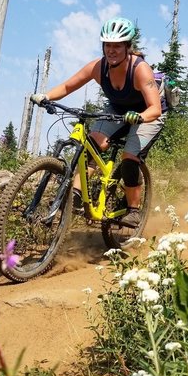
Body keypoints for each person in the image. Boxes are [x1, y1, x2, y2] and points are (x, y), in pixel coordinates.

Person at [30, 17, 165, 228]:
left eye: (117, 46)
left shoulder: (140, 69)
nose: (111, 50)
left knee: (129, 158)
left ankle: (133, 210)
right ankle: (75, 194)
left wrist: (139, 117)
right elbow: (67, 87)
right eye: (107, 45)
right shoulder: (98, 67)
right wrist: (45, 96)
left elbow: (155, 108)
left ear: (128, 47)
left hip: (147, 112)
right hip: (118, 109)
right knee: (93, 144)